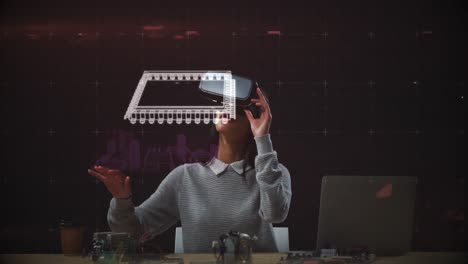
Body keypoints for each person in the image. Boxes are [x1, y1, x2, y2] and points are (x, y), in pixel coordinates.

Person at [88, 87, 292, 253]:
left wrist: (262, 138)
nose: (228, 109)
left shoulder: (271, 172)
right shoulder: (185, 177)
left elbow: (275, 214)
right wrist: (122, 201)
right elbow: (133, 232)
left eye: (238, 108)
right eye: (224, 104)